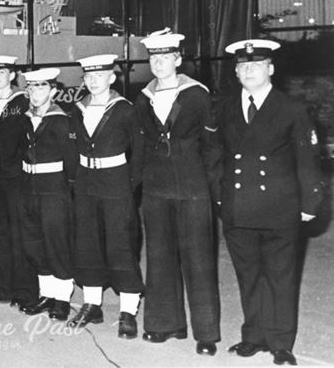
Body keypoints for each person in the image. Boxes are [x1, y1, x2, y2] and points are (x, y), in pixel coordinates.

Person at [217, 39, 324, 366]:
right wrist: (218, 196)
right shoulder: (223, 107)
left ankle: (280, 341)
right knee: (249, 275)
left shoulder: (291, 109)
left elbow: (307, 161)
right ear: (236, 72)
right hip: (237, 206)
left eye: (257, 65)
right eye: (243, 66)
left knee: (280, 275)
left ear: (271, 69)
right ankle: (253, 336)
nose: (249, 70)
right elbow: (213, 155)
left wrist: (310, 203)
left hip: (280, 207)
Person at [134, 29, 221, 356]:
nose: (158, 63)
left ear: (178, 59)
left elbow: (213, 147)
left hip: (192, 188)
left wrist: (208, 188)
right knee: (159, 258)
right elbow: (141, 146)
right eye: (153, 57)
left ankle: (206, 333)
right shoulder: (143, 97)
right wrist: (136, 187)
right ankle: (163, 324)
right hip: (156, 190)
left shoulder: (197, 95)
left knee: (199, 260)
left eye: (165, 57)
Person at [65, 55, 144, 337]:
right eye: (88, 76)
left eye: (100, 75)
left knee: (121, 244)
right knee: (87, 244)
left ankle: (127, 310)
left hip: (116, 182)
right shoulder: (78, 109)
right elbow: (74, 150)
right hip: (86, 183)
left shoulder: (125, 109)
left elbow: (139, 150)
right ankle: (92, 304)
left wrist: (129, 186)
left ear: (112, 78)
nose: (93, 81)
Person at [17, 68, 76, 321]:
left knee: (57, 244)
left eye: (40, 87)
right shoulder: (24, 117)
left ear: (53, 91)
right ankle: (47, 294)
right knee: (34, 244)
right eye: (30, 88)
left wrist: (69, 194)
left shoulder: (62, 120)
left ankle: (62, 298)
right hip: (28, 189)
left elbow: (72, 162)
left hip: (54, 191)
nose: (33, 92)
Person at [0, 55, 36, 307]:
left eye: (2, 71)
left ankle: (24, 291)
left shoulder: (23, 101)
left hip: (14, 177)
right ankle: (1, 286)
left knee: (19, 234)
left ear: (13, 76)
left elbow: (31, 138)